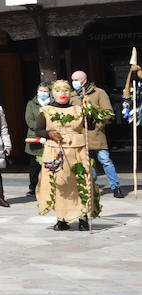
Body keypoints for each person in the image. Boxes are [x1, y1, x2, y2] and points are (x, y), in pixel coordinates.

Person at [32, 80, 101, 231]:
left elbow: (91, 125)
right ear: (53, 93)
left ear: (70, 93)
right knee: (60, 185)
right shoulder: (46, 110)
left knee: (81, 183)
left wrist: (88, 110)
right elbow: (38, 130)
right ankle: (62, 219)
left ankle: (83, 218)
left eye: (65, 90)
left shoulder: (78, 109)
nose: (62, 94)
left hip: (78, 151)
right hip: (55, 152)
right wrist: (49, 133)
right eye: (58, 90)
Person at [73, 70, 123, 198]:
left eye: (76, 80)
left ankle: (116, 186)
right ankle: (92, 187)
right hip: (81, 135)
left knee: (105, 160)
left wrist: (98, 124)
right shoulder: (72, 96)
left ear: (84, 80)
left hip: (96, 134)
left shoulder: (99, 93)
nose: (74, 83)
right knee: (88, 163)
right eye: (72, 80)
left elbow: (108, 112)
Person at [25, 82, 51, 198]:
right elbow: (29, 120)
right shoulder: (31, 104)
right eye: (41, 91)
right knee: (34, 166)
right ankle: (33, 187)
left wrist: (49, 132)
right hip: (35, 139)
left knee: (50, 165)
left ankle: (49, 187)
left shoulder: (53, 104)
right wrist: (42, 130)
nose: (43, 93)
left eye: (46, 91)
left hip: (50, 139)